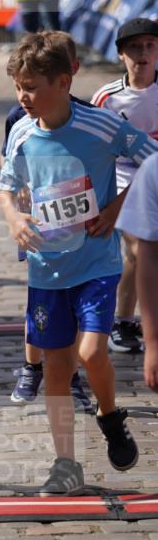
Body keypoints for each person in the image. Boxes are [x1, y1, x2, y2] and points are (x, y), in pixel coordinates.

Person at [0, 32, 158, 496]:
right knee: (56, 368)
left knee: (90, 353)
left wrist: (118, 207)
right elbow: (5, 184)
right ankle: (66, 463)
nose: (23, 97)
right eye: (18, 87)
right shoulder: (22, 131)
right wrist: (14, 219)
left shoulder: (100, 125)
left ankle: (109, 417)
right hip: (46, 270)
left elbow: (151, 161)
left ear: (64, 83)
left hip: (96, 264)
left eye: (31, 87)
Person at [2, 31, 92, 413]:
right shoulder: (19, 116)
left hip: (77, 223)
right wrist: (18, 198)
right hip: (38, 222)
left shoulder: (86, 114)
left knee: (75, 300)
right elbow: (8, 164)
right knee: (40, 296)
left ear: (69, 72)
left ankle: (70, 376)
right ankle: (31, 365)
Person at [91, 18, 158, 352]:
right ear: (120, 54)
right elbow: (92, 147)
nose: (143, 53)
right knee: (138, 250)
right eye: (134, 47)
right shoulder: (107, 98)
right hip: (123, 183)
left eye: (150, 46)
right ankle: (125, 322)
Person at [116, 153, 158, 391]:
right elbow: (148, 255)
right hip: (127, 182)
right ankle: (123, 320)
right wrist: (153, 342)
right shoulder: (153, 169)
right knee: (134, 253)